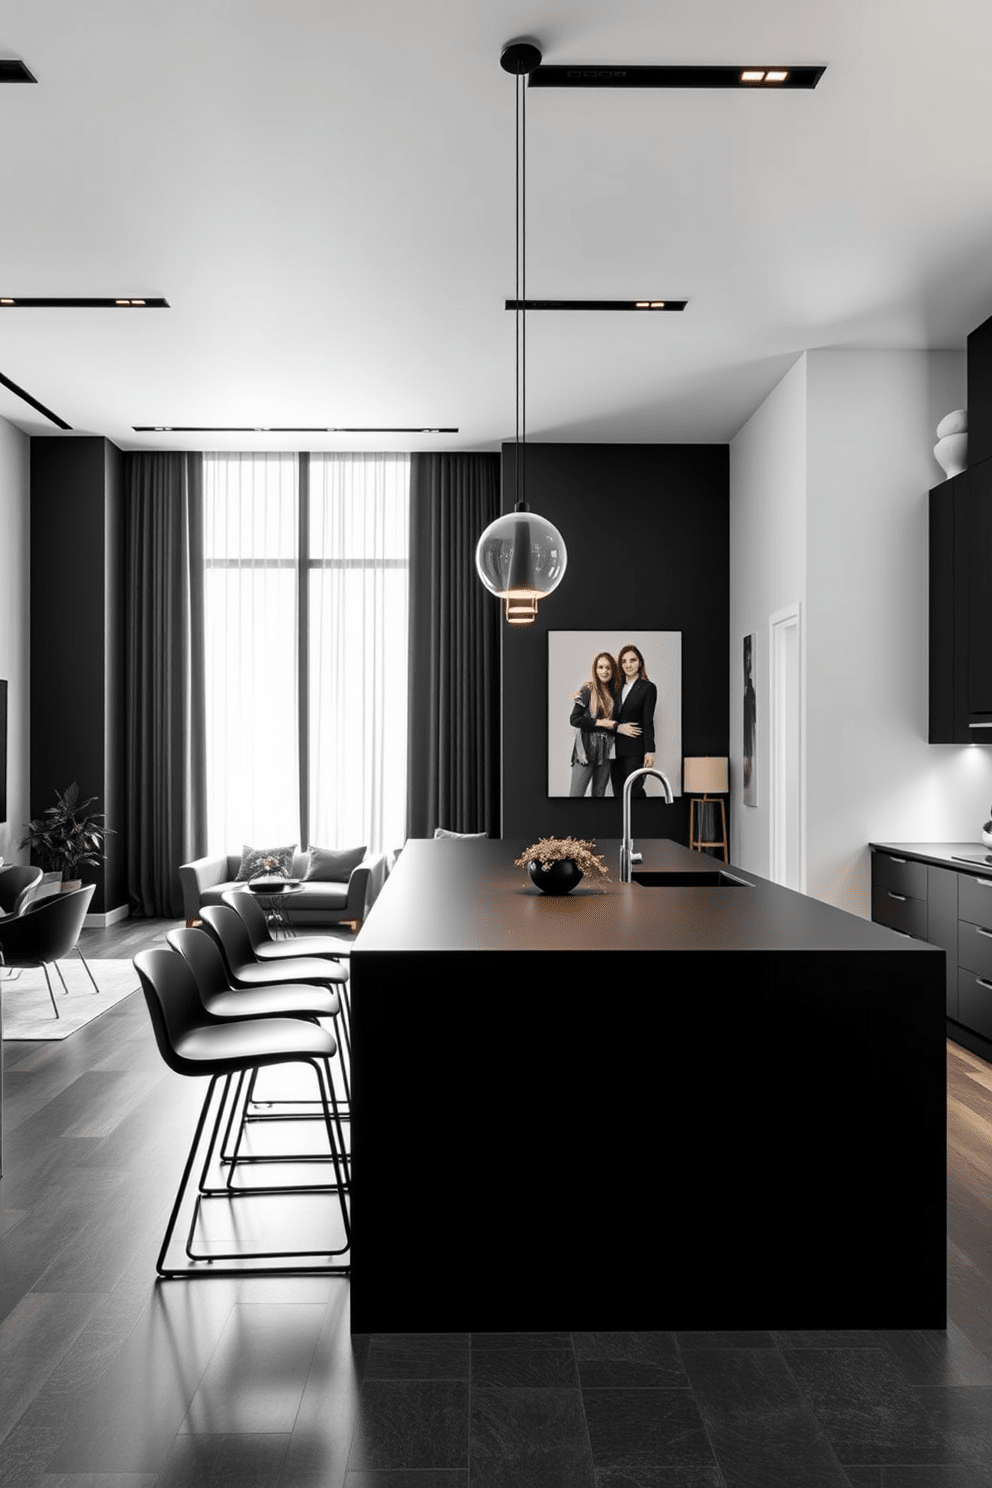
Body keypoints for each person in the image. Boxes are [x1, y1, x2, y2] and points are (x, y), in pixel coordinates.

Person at [609, 643, 657, 801]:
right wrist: (582, 693)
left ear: (640, 662)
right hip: (614, 751)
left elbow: (647, 720)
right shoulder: (615, 688)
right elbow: (606, 716)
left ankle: (642, 824)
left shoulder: (648, 688)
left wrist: (650, 751)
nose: (628, 665)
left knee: (634, 791)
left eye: (633, 660)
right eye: (624, 661)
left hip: (635, 750)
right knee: (618, 793)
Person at [569, 652, 621, 797]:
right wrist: (601, 722)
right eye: (601, 667)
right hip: (585, 749)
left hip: (606, 750)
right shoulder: (587, 690)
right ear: (595, 669)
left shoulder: (616, 693)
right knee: (576, 795)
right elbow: (574, 719)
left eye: (608, 668)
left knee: (599, 794)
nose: (604, 671)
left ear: (613, 671)